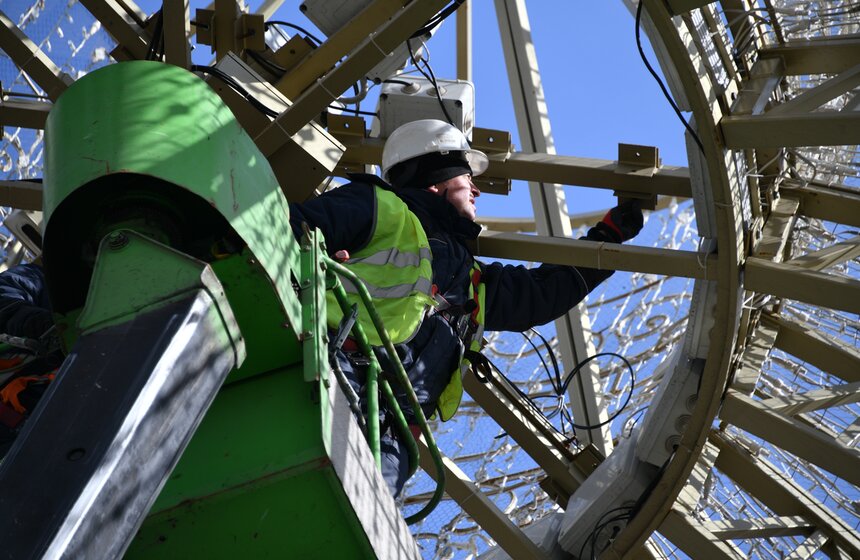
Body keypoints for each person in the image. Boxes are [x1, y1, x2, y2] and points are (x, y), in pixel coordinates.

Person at [289, 119, 644, 496]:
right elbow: (293, 229)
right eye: (465, 176)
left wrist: (608, 238)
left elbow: (539, 294)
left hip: (394, 435)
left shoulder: (471, 281)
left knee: (356, 519)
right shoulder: (377, 206)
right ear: (436, 179)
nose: (476, 188)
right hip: (333, 372)